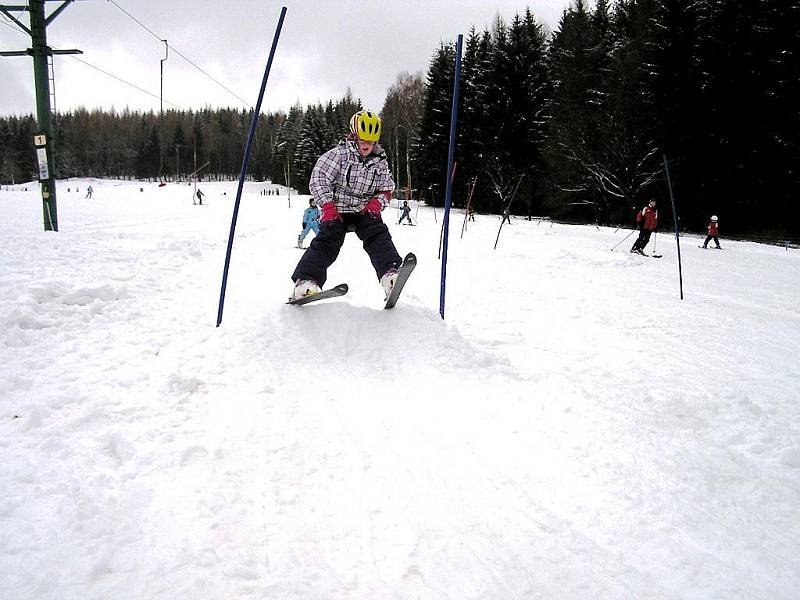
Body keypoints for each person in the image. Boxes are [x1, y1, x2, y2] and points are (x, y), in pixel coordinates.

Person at [291, 110, 403, 300]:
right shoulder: (339, 155)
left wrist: (377, 203)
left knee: (377, 234)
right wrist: (327, 205)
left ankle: (389, 274)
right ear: (354, 136)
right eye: (363, 140)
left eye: (371, 141)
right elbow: (319, 178)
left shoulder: (380, 163)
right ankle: (306, 281)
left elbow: (386, 189)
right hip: (337, 209)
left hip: (363, 209)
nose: (367, 145)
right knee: (327, 240)